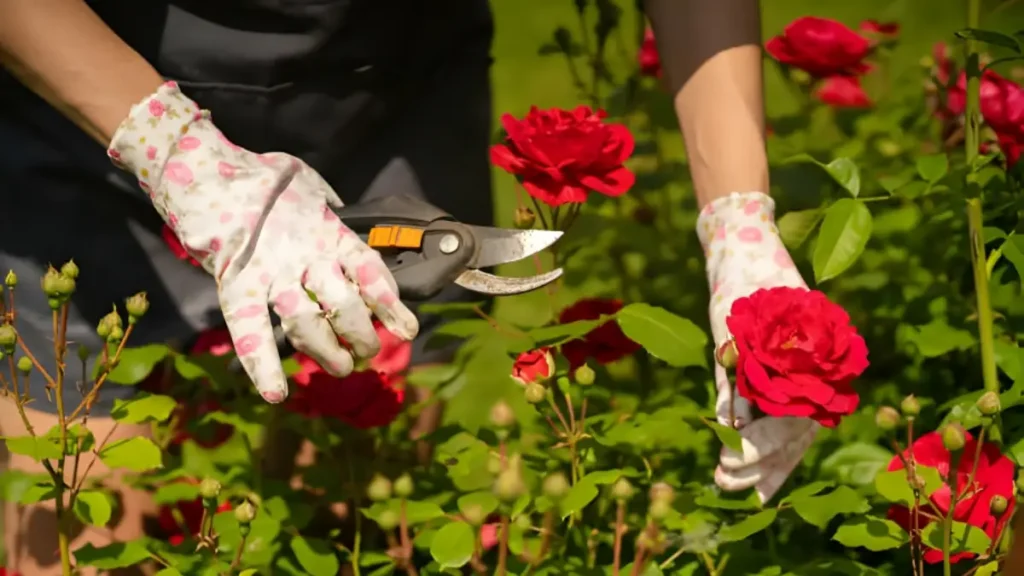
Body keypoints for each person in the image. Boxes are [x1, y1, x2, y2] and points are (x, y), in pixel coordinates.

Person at [0, 0, 817, 573]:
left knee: (347, 509)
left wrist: (738, 227)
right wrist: (174, 150)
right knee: (80, 524)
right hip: (84, 91)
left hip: (386, 84)